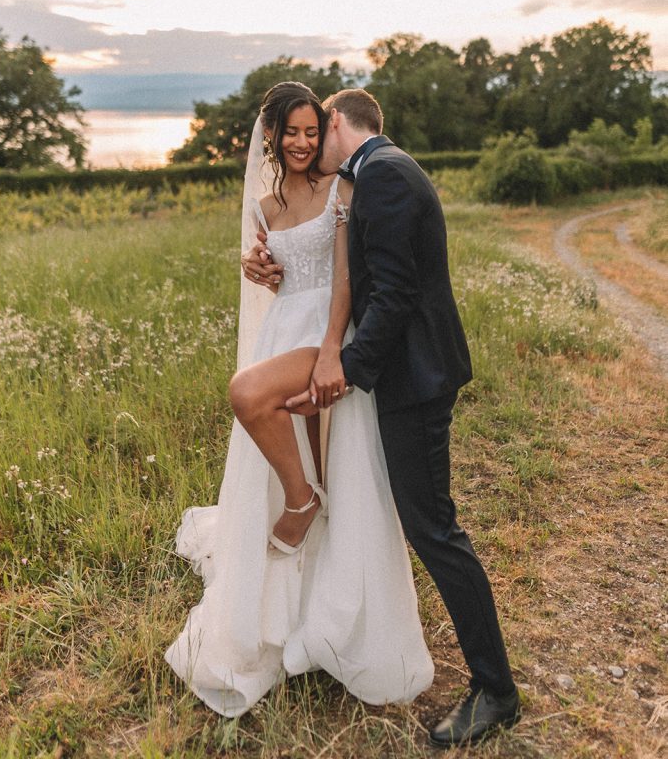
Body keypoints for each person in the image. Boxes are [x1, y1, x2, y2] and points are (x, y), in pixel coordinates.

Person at [245, 88, 521, 749]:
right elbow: (367, 277)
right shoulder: (375, 174)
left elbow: (394, 293)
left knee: (434, 530)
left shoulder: (385, 174)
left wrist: (342, 369)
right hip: (403, 376)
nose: (312, 147)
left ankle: (496, 691)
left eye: (318, 129)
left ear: (335, 123)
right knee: (422, 523)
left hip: (414, 381)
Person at [165, 81, 434, 718]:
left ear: (325, 131)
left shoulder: (341, 189)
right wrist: (252, 261)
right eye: (293, 132)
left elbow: (344, 278)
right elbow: (266, 268)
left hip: (327, 335)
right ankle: (298, 521)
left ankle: (330, 589)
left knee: (311, 441)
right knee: (290, 439)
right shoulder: (263, 203)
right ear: (271, 134)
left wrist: (333, 349)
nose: (304, 143)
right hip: (283, 329)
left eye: (314, 132)